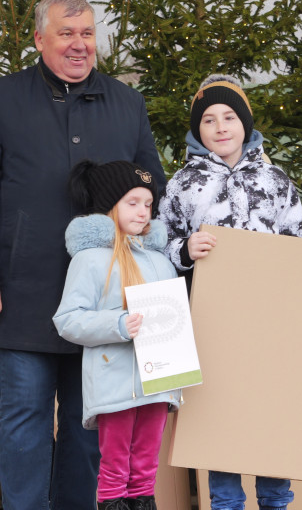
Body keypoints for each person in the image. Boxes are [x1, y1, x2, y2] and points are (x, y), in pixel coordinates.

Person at [0, 0, 166, 510]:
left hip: (107, 300)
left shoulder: (126, 102)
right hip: (23, 291)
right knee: (24, 418)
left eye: (87, 33)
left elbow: (151, 195)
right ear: (39, 39)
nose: (79, 45)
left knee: (88, 420)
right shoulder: (0, 99)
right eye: (66, 34)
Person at [158, 73, 302, 510]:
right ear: (197, 130)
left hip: (274, 326)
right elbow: (161, 247)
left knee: (273, 418)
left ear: (246, 123)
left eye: (229, 116)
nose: (221, 127)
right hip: (214, 326)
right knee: (222, 420)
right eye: (208, 120)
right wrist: (186, 248)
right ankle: (226, 503)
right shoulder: (181, 185)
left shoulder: (276, 181)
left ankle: (275, 501)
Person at [53, 160, 182, 510]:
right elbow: (68, 320)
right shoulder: (91, 260)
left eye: (148, 204)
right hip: (114, 381)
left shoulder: (160, 259)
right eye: (132, 202)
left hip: (158, 379)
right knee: (114, 466)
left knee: (145, 464)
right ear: (111, 204)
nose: (143, 212)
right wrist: (119, 325)